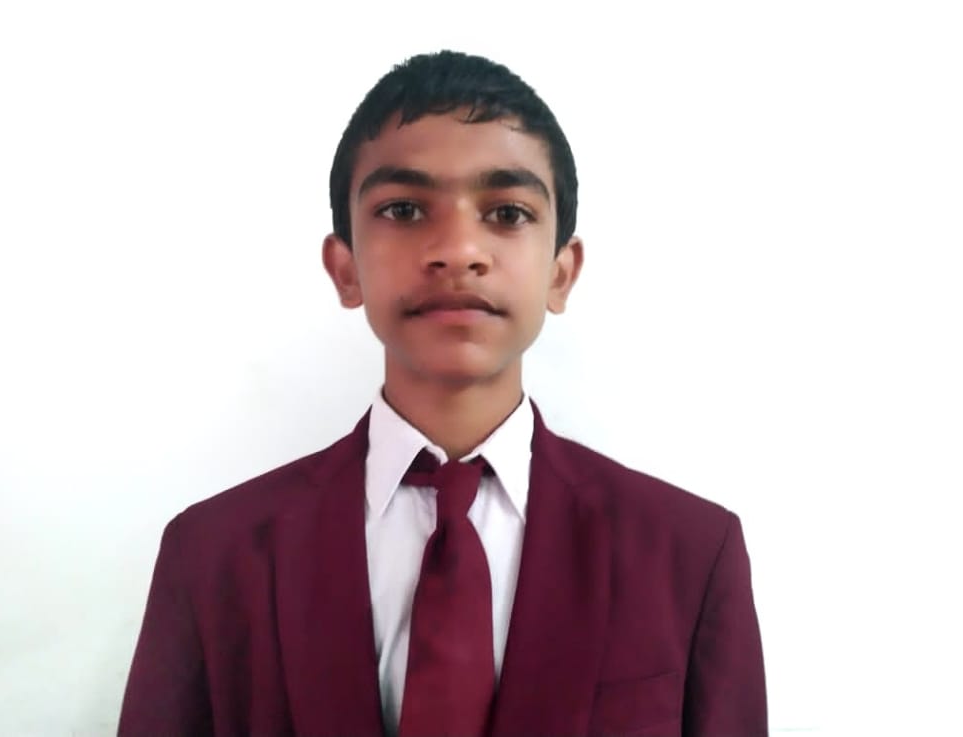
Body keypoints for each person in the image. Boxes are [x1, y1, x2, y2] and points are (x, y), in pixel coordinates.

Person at [119, 50, 767, 737]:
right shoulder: (213, 555)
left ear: (560, 272)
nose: (458, 250)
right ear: (345, 269)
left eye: (508, 212)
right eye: (403, 209)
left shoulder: (690, 553)